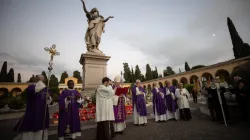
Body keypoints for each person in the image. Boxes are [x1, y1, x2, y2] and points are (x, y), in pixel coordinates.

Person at [13, 75, 52, 140]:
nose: (42, 80)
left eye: (43, 79)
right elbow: (34, 91)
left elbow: (49, 101)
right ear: (37, 79)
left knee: (41, 127)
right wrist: (42, 86)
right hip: (34, 111)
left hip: (42, 112)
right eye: (40, 79)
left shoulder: (46, 89)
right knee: (31, 127)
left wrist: (48, 97)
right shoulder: (32, 87)